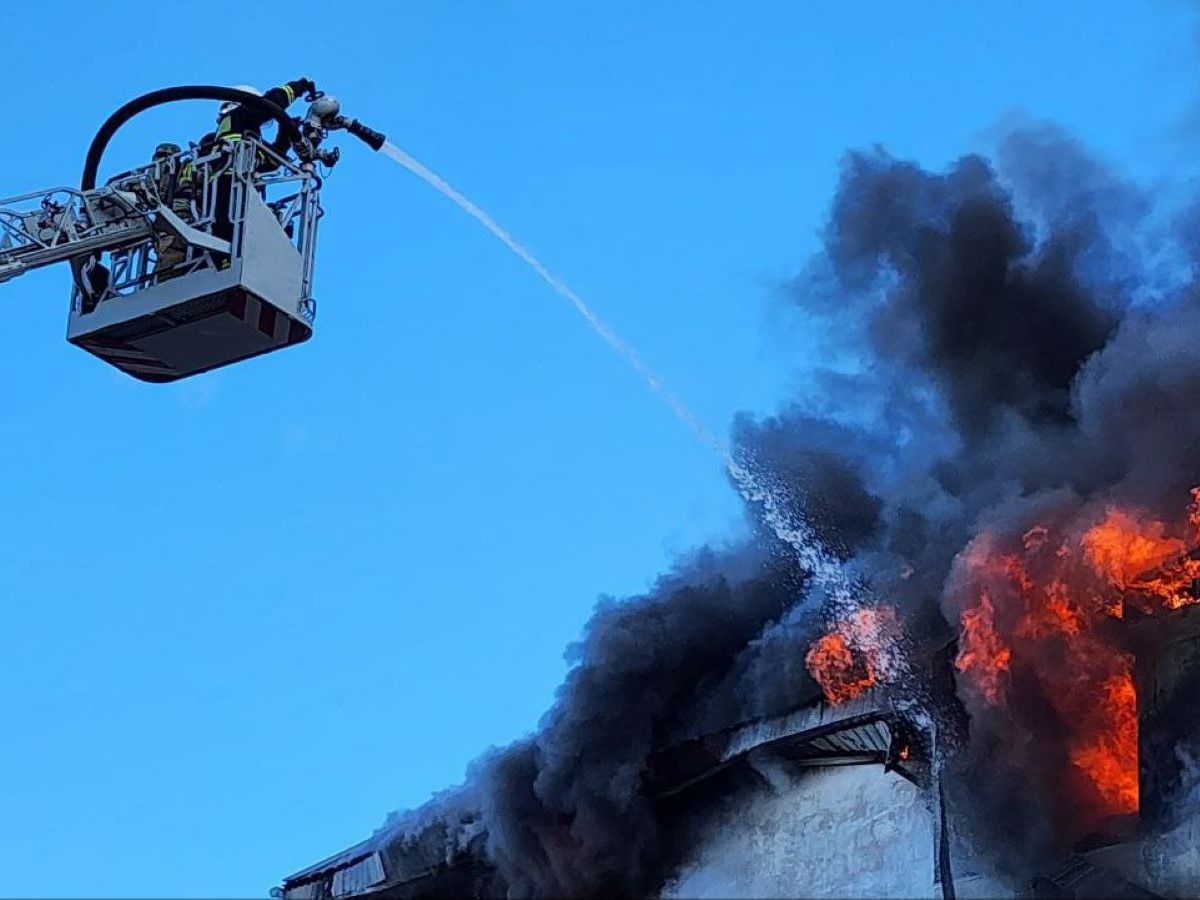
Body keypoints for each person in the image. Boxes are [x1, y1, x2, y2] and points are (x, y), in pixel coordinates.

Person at [210, 79, 314, 268]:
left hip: (239, 183)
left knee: (241, 227)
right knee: (229, 226)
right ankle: (226, 261)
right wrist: (297, 87)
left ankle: (233, 260)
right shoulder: (238, 115)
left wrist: (286, 131)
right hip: (230, 180)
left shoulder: (245, 134)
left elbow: (272, 161)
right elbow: (272, 102)